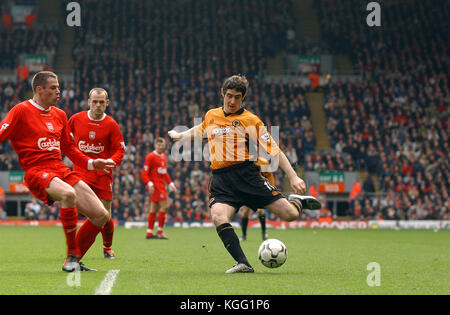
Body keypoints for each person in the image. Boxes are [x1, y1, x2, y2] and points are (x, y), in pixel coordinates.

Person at [168, 74, 321, 273]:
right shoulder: (211, 115)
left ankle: (297, 201)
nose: (232, 101)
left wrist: (293, 176)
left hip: (247, 176)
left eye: (237, 97)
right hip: (221, 180)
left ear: (243, 98)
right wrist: (181, 135)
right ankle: (244, 263)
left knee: (290, 214)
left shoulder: (251, 120)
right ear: (222, 93)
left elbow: (274, 150)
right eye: (229, 96)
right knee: (218, 216)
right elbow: (201, 129)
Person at [0, 71, 115, 272]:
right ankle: (71, 255)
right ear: (39, 90)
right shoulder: (21, 111)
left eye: (58, 87)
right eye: (53, 88)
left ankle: (73, 260)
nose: (58, 91)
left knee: (101, 215)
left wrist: (91, 163)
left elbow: (69, 148)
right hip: (36, 171)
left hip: (60, 169)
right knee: (68, 194)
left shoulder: (60, 114)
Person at [68, 87, 125, 259]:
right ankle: (74, 251)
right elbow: (65, 141)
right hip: (81, 172)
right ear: (88, 102)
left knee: (104, 216)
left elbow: (119, 150)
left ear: (107, 103)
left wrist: (111, 162)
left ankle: (107, 247)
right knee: (81, 209)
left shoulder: (111, 125)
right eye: (95, 101)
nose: (98, 105)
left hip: (102, 175)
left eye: (101, 102)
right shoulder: (76, 119)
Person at [141, 137, 177, 239]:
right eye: (159, 145)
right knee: (165, 205)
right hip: (156, 186)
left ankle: (149, 232)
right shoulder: (150, 157)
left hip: (161, 185)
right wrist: (150, 184)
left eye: (163, 145)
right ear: (155, 145)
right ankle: (160, 231)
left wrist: (171, 184)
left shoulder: (163, 156)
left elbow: (164, 173)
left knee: (154, 208)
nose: (161, 147)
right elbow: (144, 173)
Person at [239, 157, 272, 241]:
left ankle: (264, 232)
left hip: (260, 190)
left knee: (260, 211)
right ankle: (244, 235)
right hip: (249, 191)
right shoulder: (244, 162)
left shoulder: (263, 162)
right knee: (245, 213)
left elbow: (269, 177)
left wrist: (271, 189)